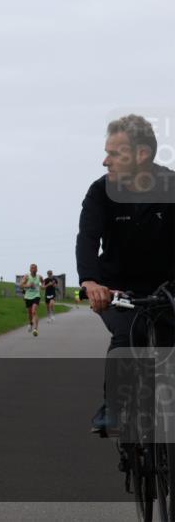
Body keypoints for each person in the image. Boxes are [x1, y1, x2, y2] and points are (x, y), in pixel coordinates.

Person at [76, 114, 175, 433]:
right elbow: (88, 238)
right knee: (129, 332)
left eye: (114, 153)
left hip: (167, 288)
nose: (105, 161)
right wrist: (91, 281)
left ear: (141, 155)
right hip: (117, 288)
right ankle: (115, 406)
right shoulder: (100, 192)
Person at [20, 263, 42, 337]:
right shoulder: (26, 277)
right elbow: (21, 285)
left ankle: (35, 329)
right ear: (30, 269)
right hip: (28, 297)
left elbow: (43, 283)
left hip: (36, 296)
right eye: (32, 268)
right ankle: (30, 323)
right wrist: (28, 285)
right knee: (30, 313)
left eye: (35, 268)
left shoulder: (39, 277)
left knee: (34, 311)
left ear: (37, 269)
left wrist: (44, 286)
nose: (34, 269)